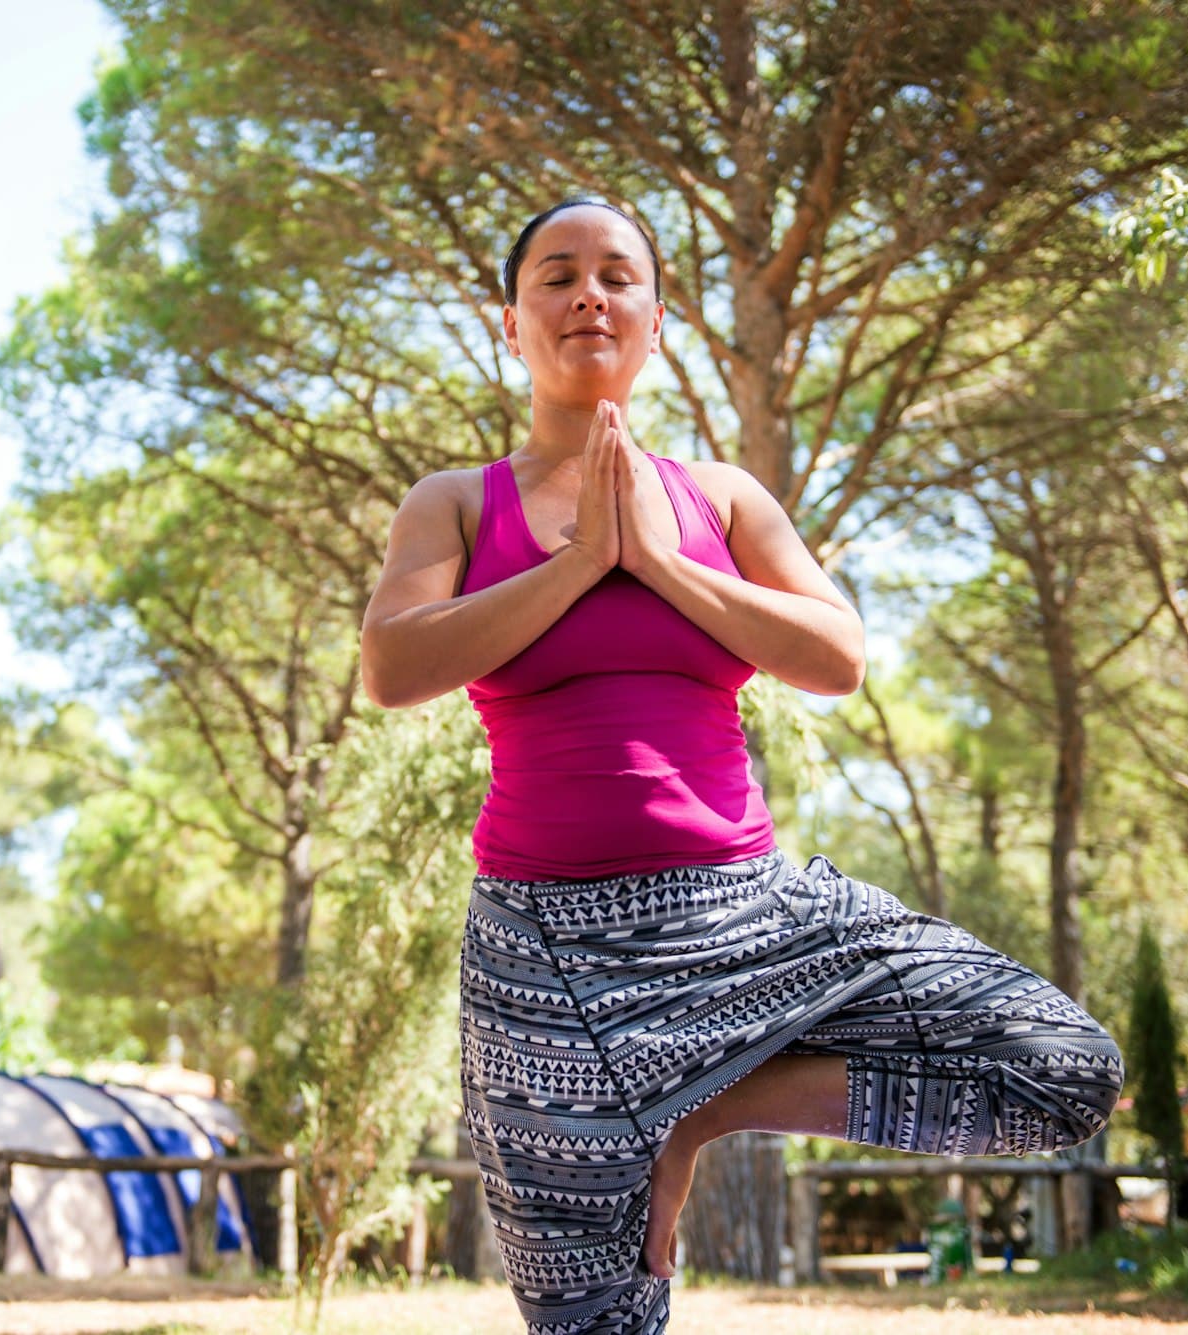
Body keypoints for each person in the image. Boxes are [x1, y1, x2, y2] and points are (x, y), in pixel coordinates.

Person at [359, 199, 1124, 1335]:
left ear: (655, 322)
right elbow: (393, 664)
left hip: (748, 918)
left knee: (1059, 1067)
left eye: (616, 276)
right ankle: (658, 1116)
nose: (587, 296)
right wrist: (576, 564)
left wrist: (662, 565)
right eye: (556, 277)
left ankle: (695, 1111)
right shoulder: (458, 504)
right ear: (505, 323)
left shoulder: (717, 498)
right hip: (546, 968)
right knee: (598, 1328)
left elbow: (836, 655)